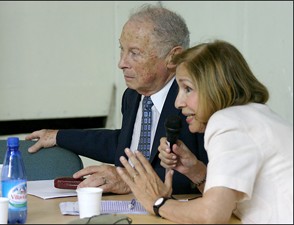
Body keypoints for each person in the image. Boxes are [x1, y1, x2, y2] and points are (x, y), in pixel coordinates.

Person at [25, 4, 208, 194]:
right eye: (122, 49)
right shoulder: (132, 96)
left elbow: (210, 173)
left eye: (134, 53)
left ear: (174, 57)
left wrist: (128, 180)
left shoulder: (197, 100)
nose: (122, 63)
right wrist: (58, 136)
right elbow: (124, 144)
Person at [116, 40, 293, 224]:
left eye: (188, 89)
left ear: (217, 87)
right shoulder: (252, 115)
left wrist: (158, 203)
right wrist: (195, 171)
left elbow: (212, 214)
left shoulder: (227, 121)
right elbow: (227, 203)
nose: (178, 102)